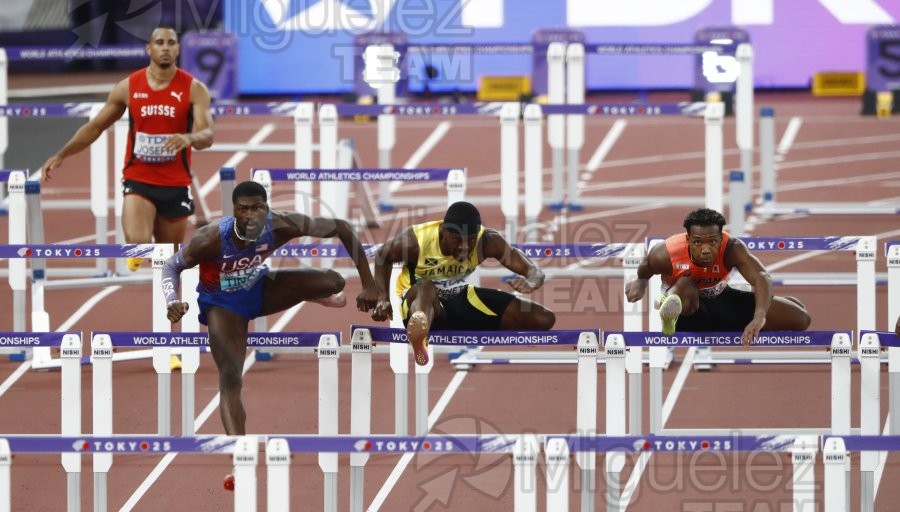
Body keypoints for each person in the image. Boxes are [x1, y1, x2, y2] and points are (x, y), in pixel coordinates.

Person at [161, 181, 380, 435]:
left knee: (333, 281)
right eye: (243, 209)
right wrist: (171, 300)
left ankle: (311, 294)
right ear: (234, 211)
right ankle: (239, 456)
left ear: (267, 208)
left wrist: (369, 284)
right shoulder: (211, 238)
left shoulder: (281, 224)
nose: (250, 216)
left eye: (257, 208)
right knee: (231, 377)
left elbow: (342, 227)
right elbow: (171, 267)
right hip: (223, 303)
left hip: (259, 287)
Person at [40, 26, 214, 272]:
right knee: (138, 245)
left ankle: (165, 299)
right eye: (159, 42)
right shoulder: (129, 87)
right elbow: (95, 127)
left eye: (171, 43)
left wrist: (190, 137)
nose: (165, 47)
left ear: (178, 49)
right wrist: (62, 154)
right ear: (149, 48)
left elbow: (208, 135)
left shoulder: (194, 88)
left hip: (175, 182)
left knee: (168, 262)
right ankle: (137, 254)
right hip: (139, 178)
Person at [370, 201, 556, 365]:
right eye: (457, 240)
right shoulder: (415, 242)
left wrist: (533, 278)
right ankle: (419, 335)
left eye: (471, 241)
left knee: (543, 319)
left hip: (459, 298)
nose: (465, 247)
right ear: (443, 232)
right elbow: (382, 256)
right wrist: (383, 297)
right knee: (425, 286)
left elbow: (530, 268)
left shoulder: (487, 241)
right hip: (423, 304)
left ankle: (476, 327)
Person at [625, 208, 811, 344]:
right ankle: (669, 317)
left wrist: (759, 316)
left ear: (720, 239)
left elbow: (761, 276)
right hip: (688, 312)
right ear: (688, 239)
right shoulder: (665, 253)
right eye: (698, 242)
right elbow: (645, 268)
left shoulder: (732, 248)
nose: (705, 249)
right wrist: (641, 283)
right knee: (686, 283)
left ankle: (776, 304)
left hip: (722, 301)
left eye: (712, 242)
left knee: (801, 318)